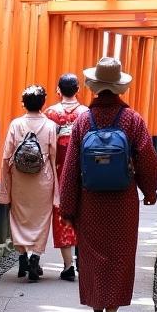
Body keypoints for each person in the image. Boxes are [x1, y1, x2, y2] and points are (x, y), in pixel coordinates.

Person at [59, 56, 157, 312]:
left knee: (91, 259)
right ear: (118, 88)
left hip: (90, 202)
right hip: (122, 203)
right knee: (118, 259)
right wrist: (149, 189)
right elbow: (148, 159)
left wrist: (67, 208)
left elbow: (70, 169)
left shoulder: (82, 121)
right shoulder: (132, 120)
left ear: (93, 87)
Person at [0, 84, 59, 283]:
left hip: (20, 177)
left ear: (24, 103)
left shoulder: (16, 124)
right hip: (43, 177)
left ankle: (22, 256)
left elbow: (7, 155)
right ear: (43, 103)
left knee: (19, 215)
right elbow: (53, 155)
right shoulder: (50, 125)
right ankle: (35, 257)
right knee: (41, 217)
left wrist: (4, 184)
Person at [44, 73, 89, 281]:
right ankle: (83, 255)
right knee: (83, 211)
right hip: (83, 170)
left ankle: (68, 265)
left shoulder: (51, 113)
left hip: (59, 169)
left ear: (58, 90)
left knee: (62, 213)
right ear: (78, 90)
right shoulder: (86, 114)